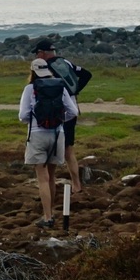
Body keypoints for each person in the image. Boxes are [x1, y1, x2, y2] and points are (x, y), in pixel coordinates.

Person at [19, 56, 80, 225]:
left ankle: (48, 217)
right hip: (57, 134)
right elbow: (73, 112)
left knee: (42, 178)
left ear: (32, 71)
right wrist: (60, 120)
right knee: (51, 176)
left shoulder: (29, 89)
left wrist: (34, 120)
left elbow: (22, 115)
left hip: (38, 135)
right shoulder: (60, 86)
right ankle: (50, 213)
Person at [32, 39, 86, 192]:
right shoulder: (65, 63)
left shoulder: (46, 67)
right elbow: (87, 74)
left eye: (37, 53)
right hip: (72, 109)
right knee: (69, 150)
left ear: (42, 53)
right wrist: (73, 91)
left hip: (56, 113)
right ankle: (77, 185)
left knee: (50, 151)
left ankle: (50, 185)